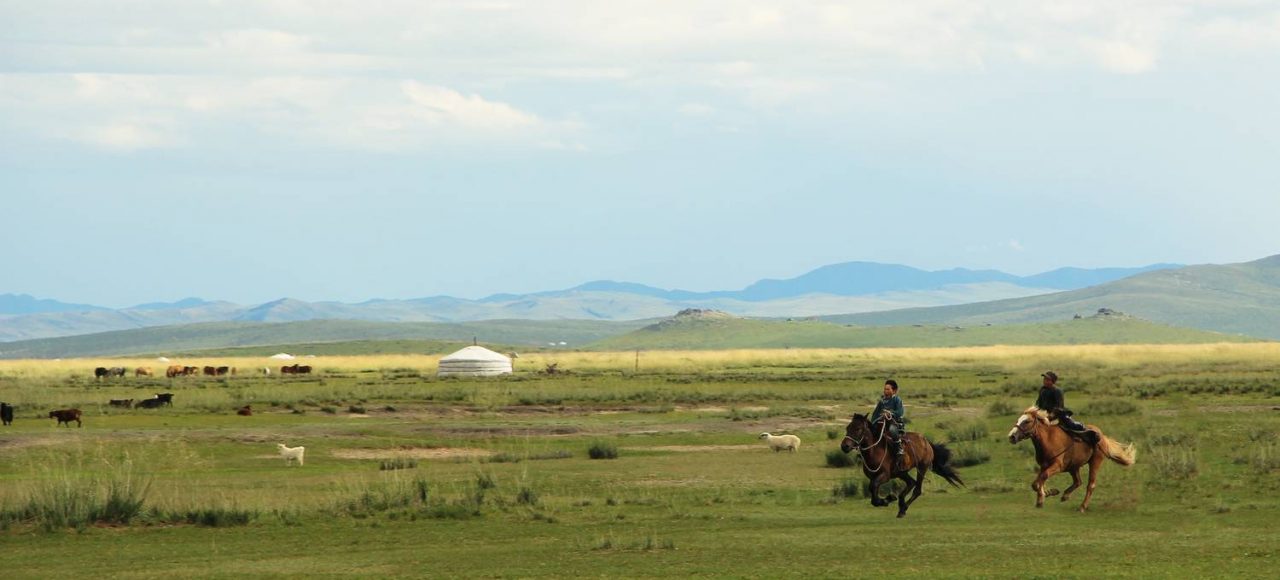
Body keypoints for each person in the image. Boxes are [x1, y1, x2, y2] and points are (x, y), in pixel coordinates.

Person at [1036, 371, 1097, 444]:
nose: (1045, 381)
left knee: (1070, 424)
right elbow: (1038, 403)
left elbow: (1059, 406)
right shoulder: (1042, 390)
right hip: (1044, 414)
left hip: (1057, 414)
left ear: (1053, 381)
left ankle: (1082, 430)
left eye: (1047, 380)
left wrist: (1051, 416)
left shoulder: (1057, 391)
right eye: (1044, 379)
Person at [871, 379, 907, 464]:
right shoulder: (882, 401)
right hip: (882, 422)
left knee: (892, 429)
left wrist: (890, 413)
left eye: (888, 389)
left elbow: (900, 412)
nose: (885, 391)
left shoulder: (897, 400)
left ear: (894, 390)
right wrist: (873, 423)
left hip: (894, 422)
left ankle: (899, 448)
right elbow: (875, 414)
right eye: (884, 389)